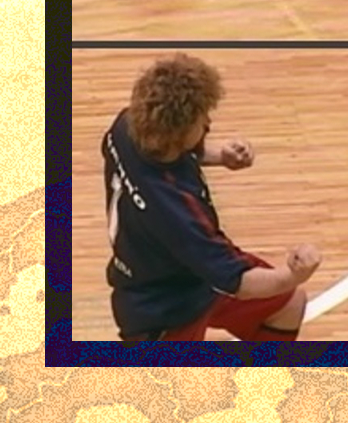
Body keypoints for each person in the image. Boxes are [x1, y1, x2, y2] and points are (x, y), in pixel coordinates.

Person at [101, 54, 322, 342]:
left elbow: (168, 151)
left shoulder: (125, 128)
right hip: (162, 309)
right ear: (178, 133)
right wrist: (293, 275)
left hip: (184, 273)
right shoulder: (177, 212)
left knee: (287, 305)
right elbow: (240, 281)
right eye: (200, 119)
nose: (208, 124)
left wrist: (220, 155)